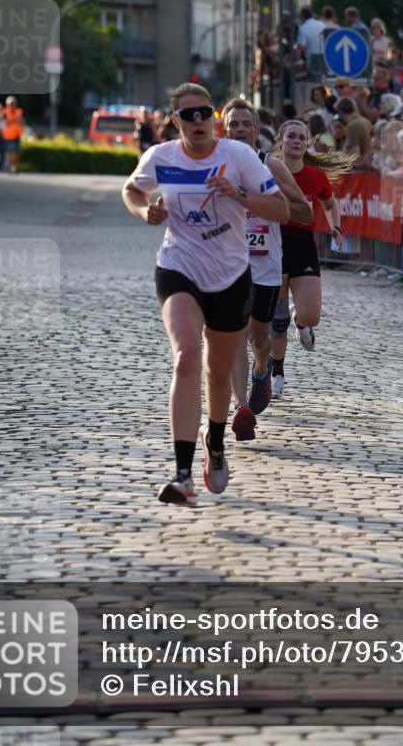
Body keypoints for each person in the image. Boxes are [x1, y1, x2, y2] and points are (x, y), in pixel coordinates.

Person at [122, 83, 289, 505]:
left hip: (231, 275)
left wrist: (239, 195)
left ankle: (215, 442)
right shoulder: (162, 156)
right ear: (174, 119)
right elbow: (132, 189)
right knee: (186, 357)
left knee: (217, 373)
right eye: (188, 114)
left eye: (204, 113)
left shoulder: (238, 157)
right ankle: (182, 474)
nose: (198, 121)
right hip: (179, 267)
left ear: (214, 117)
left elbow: (282, 210)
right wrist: (147, 210)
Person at [223, 99, 312, 440]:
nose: (241, 129)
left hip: (264, 267)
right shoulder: (214, 165)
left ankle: (261, 370)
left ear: (257, 131)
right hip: (227, 267)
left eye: (247, 124)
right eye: (235, 124)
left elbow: (303, 212)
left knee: (258, 338)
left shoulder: (271, 165)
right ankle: (241, 406)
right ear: (226, 130)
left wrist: (260, 199)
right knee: (232, 335)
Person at [269, 120, 349, 399]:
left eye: (301, 137)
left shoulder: (315, 176)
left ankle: (300, 323)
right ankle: (276, 372)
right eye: (291, 136)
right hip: (274, 244)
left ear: (307, 144)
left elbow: (329, 203)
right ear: (281, 140)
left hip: (303, 245)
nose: (296, 141)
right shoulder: (267, 170)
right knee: (277, 320)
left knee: (311, 315)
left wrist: (335, 226)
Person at [1, 96, 24, 173]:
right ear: (7, 104)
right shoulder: (4, 112)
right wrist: (15, 119)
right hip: (8, 136)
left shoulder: (19, 111)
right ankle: (10, 167)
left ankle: (14, 167)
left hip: (17, 135)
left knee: (17, 152)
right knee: (11, 152)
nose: (12, 105)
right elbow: (6, 122)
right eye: (10, 103)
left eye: (13, 103)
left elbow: (21, 121)